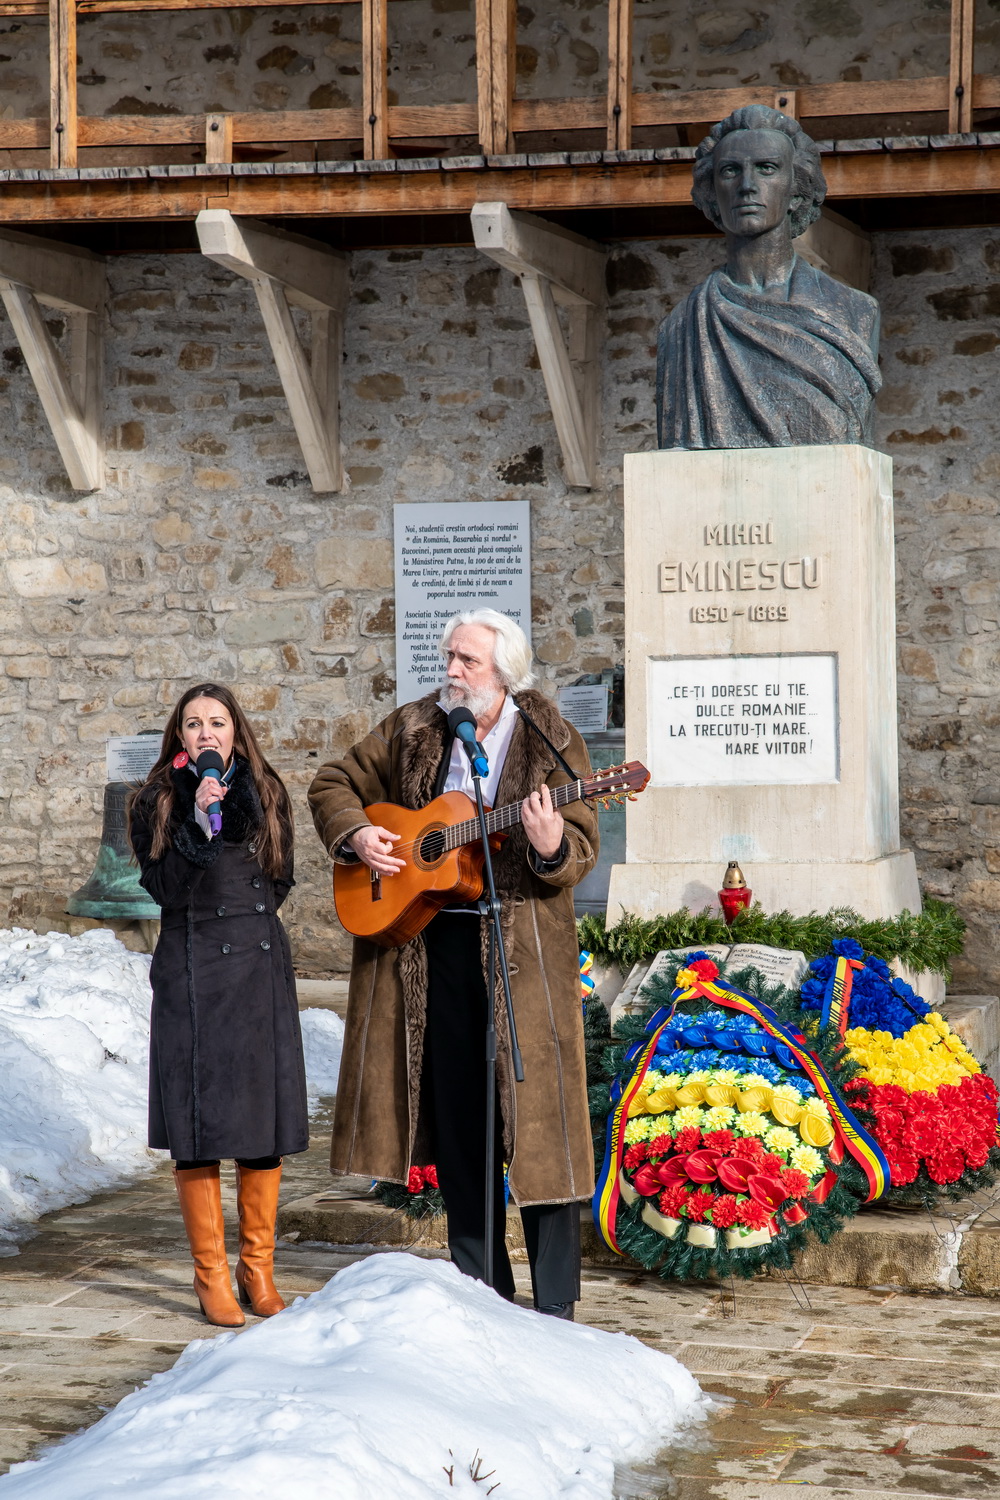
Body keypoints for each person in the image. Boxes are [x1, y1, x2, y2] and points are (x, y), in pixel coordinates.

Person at [308, 610, 598, 1318]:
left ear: (506, 673)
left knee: (543, 1133)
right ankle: (483, 1291)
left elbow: (580, 846)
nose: (452, 670)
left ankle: (556, 1309)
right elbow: (332, 782)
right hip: (433, 954)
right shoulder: (414, 727)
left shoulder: (552, 739)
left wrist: (552, 843)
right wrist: (359, 834)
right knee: (464, 1127)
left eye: (467, 660)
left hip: (524, 960)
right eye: (448, 656)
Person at [129, 683, 308, 1328]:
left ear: (236, 732)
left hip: (257, 969)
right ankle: (210, 1275)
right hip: (193, 968)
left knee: (260, 1124)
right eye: (194, 723)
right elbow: (163, 888)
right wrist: (198, 824)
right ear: (179, 735)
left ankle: (257, 1269)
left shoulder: (267, 790)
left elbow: (280, 876)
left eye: (218, 722)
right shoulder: (156, 799)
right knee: (199, 1125)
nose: (207, 733)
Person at [656, 105, 881, 449]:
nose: (747, 186)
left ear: (796, 191)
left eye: (766, 168)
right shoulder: (682, 327)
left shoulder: (855, 311)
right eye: (730, 171)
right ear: (712, 193)